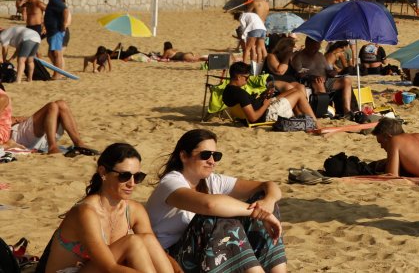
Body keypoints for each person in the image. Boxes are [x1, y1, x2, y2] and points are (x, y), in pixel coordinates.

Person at [146, 129, 287, 271]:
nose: (212, 161)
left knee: (263, 200)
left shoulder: (211, 180)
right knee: (219, 221)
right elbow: (209, 205)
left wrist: (268, 202)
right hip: (170, 259)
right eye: (205, 155)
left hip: (202, 252)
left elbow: (269, 186)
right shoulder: (170, 182)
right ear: (184, 156)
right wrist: (258, 212)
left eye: (216, 156)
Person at [41, 143, 175, 273]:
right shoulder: (86, 212)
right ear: (103, 172)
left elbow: (156, 251)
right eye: (124, 176)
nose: (132, 184)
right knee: (133, 242)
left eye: (138, 177)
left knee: (147, 239)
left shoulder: (134, 210)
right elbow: (110, 268)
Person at [0, 87, 97, 155]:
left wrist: (15, 119)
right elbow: (8, 119)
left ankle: (78, 143)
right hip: (20, 138)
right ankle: (52, 146)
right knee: (52, 106)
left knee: (61, 104)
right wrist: (15, 119)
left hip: (30, 137)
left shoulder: (3, 97)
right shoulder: (3, 98)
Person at [222, 61, 319, 126]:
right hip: (267, 114)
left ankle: (304, 121)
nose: (247, 81)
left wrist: (263, 97)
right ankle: (315, 123)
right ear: (238, 77)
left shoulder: (227, 90)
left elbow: (248, 105)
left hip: (264, 107)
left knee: (293, 90)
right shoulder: (240, 93)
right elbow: (253, 118)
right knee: (298, 94)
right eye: (246, 78)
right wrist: (266, 103)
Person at [291, 37, 355, 114]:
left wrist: (332, 72)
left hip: (326, 80)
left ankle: (347, 110)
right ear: (307, 44)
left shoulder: (320, 55)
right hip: (311, 82)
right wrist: (312, 77)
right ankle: (323, 110)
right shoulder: (299, 57)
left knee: (346, 81)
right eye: (314, 47)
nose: (316, 50)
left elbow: (328, 69)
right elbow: (299, 74)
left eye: (317, 47)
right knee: (319, 82)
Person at [43, 0, 71, 78]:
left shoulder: (55, 0)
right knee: (52, 53)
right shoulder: (52, 1)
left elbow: (65, 10)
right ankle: (58, 73)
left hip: (56, 31)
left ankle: (57, 74)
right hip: (52, 32)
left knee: (56, 53)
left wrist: (64, 24)